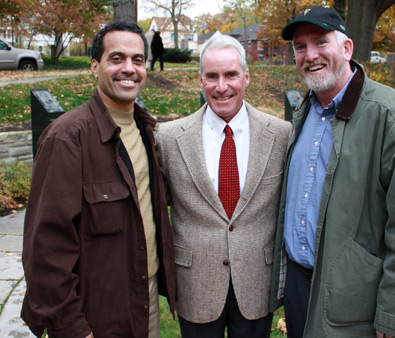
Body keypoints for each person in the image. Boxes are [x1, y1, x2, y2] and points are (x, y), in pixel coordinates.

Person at [269, 6, 395, 338]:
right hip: (299, 290)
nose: (310, 55)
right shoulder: (306, 111)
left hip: (354, 300)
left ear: (346, 49)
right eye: (300, 47)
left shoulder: (389, 114)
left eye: (320, 42)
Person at [21, 21, 176, 338]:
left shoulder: (145, 131)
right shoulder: (67, 138)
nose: (128, 69)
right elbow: (45, 251)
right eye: (116, 58)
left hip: (143, 301)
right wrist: (73, 328)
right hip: (95, 315)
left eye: (137, 60)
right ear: (95, 66)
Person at [155, 32, 292, 338]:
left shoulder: (281, 135)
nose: (221, 86)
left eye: (230, 75)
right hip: (196, 284)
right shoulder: (169, 137)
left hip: (257, 281)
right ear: (200, 80)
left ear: (246, 77)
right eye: (212, 76)